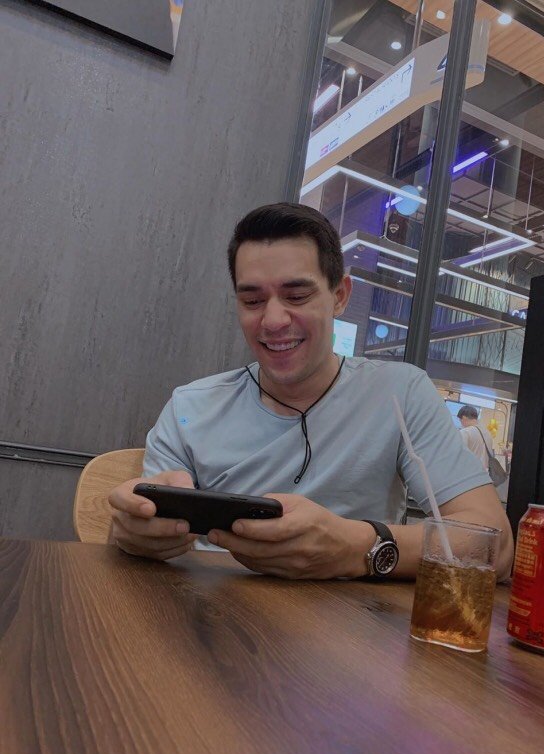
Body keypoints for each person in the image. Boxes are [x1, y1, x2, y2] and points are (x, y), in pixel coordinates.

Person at [109, 203, 514, 580]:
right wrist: (135, 533)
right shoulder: (190, 406)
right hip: (209, 615)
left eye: (297, 296)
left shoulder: (399, 393)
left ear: (340, 296)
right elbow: (135, 539)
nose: (273, 320)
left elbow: (494, 547)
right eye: (252, 300)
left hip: (348, 622)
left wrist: (356, 547)